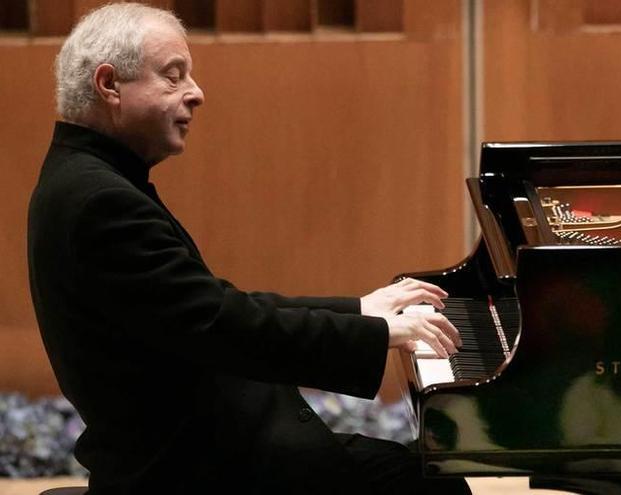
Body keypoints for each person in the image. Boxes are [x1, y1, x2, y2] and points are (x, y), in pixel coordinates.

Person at [26, 3, 468, 494]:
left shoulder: (88, 177)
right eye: (173, 77)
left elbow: (208, 306)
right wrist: (371, 331)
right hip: (188, 471)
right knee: (432, 484)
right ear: (110, 85)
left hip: (189, 446)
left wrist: (359, 310)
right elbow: (221, 325)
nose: (197, 93)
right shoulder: (102, 201)